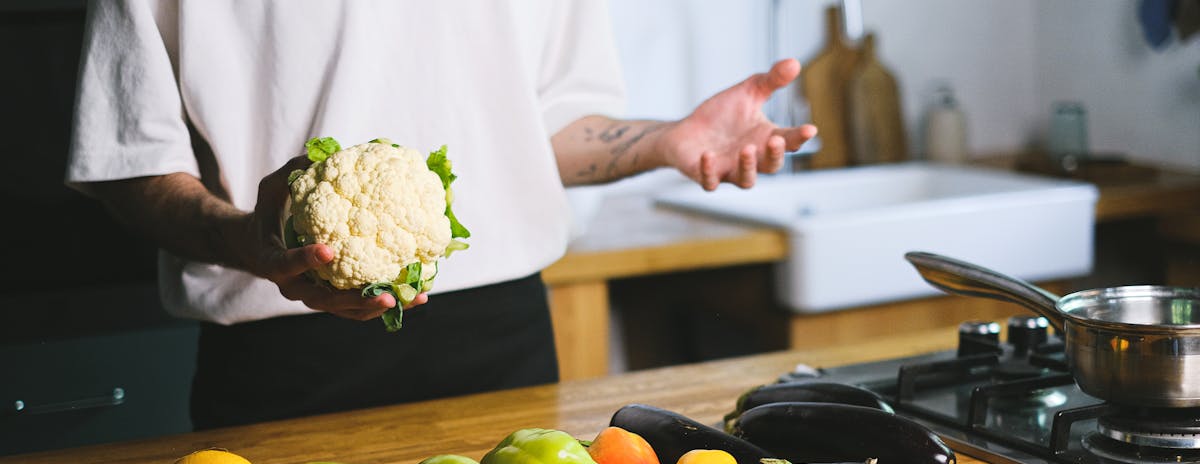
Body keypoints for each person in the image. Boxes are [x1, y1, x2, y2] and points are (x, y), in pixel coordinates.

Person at [66, 0, 817, 430]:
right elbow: (128, 160)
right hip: (279, 363)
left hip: (506, 343)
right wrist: (251, 241)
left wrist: (664, 141)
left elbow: (537, 133)